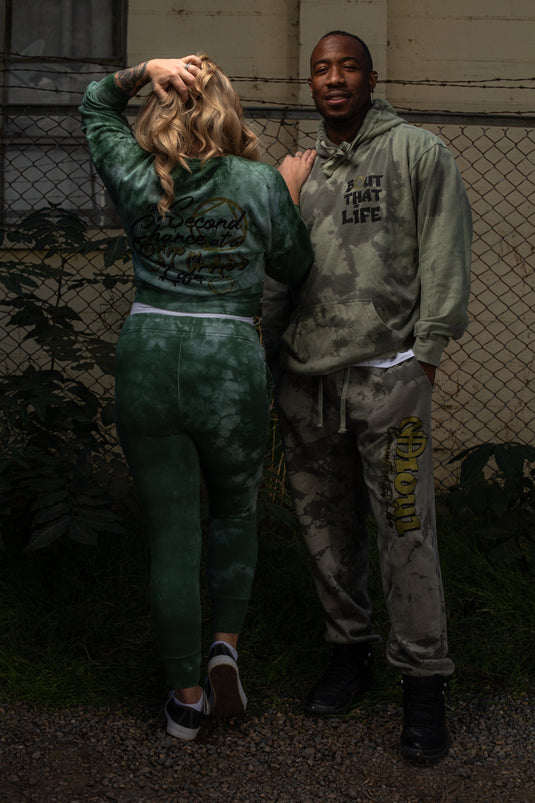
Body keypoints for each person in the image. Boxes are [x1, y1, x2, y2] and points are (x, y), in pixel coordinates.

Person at [80, 55, 314, 741]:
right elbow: (294, 266)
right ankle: (224, 647)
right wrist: (289, 195)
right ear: (227, 109)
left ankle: (184, 699)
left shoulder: (135, 170)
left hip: (150, 351)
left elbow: (94, 104)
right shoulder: (256, 182)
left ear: (161, 103)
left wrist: (139, 69)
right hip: (228, 361)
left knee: (171, 536)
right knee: (235, 511)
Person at [263, 31, 471, 761]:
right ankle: (347, 652)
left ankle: (422, 684)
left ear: (370, 76)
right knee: (325, 531)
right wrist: (268, 355)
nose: (333, 78)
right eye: (320, 69)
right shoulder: (298, 168)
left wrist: (429, 352)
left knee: (405, 532)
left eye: (346, 66)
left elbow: (443, 249)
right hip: (307, 381)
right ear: (311, 84)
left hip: (390, 379)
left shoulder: (415, 152)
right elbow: (277, 268)